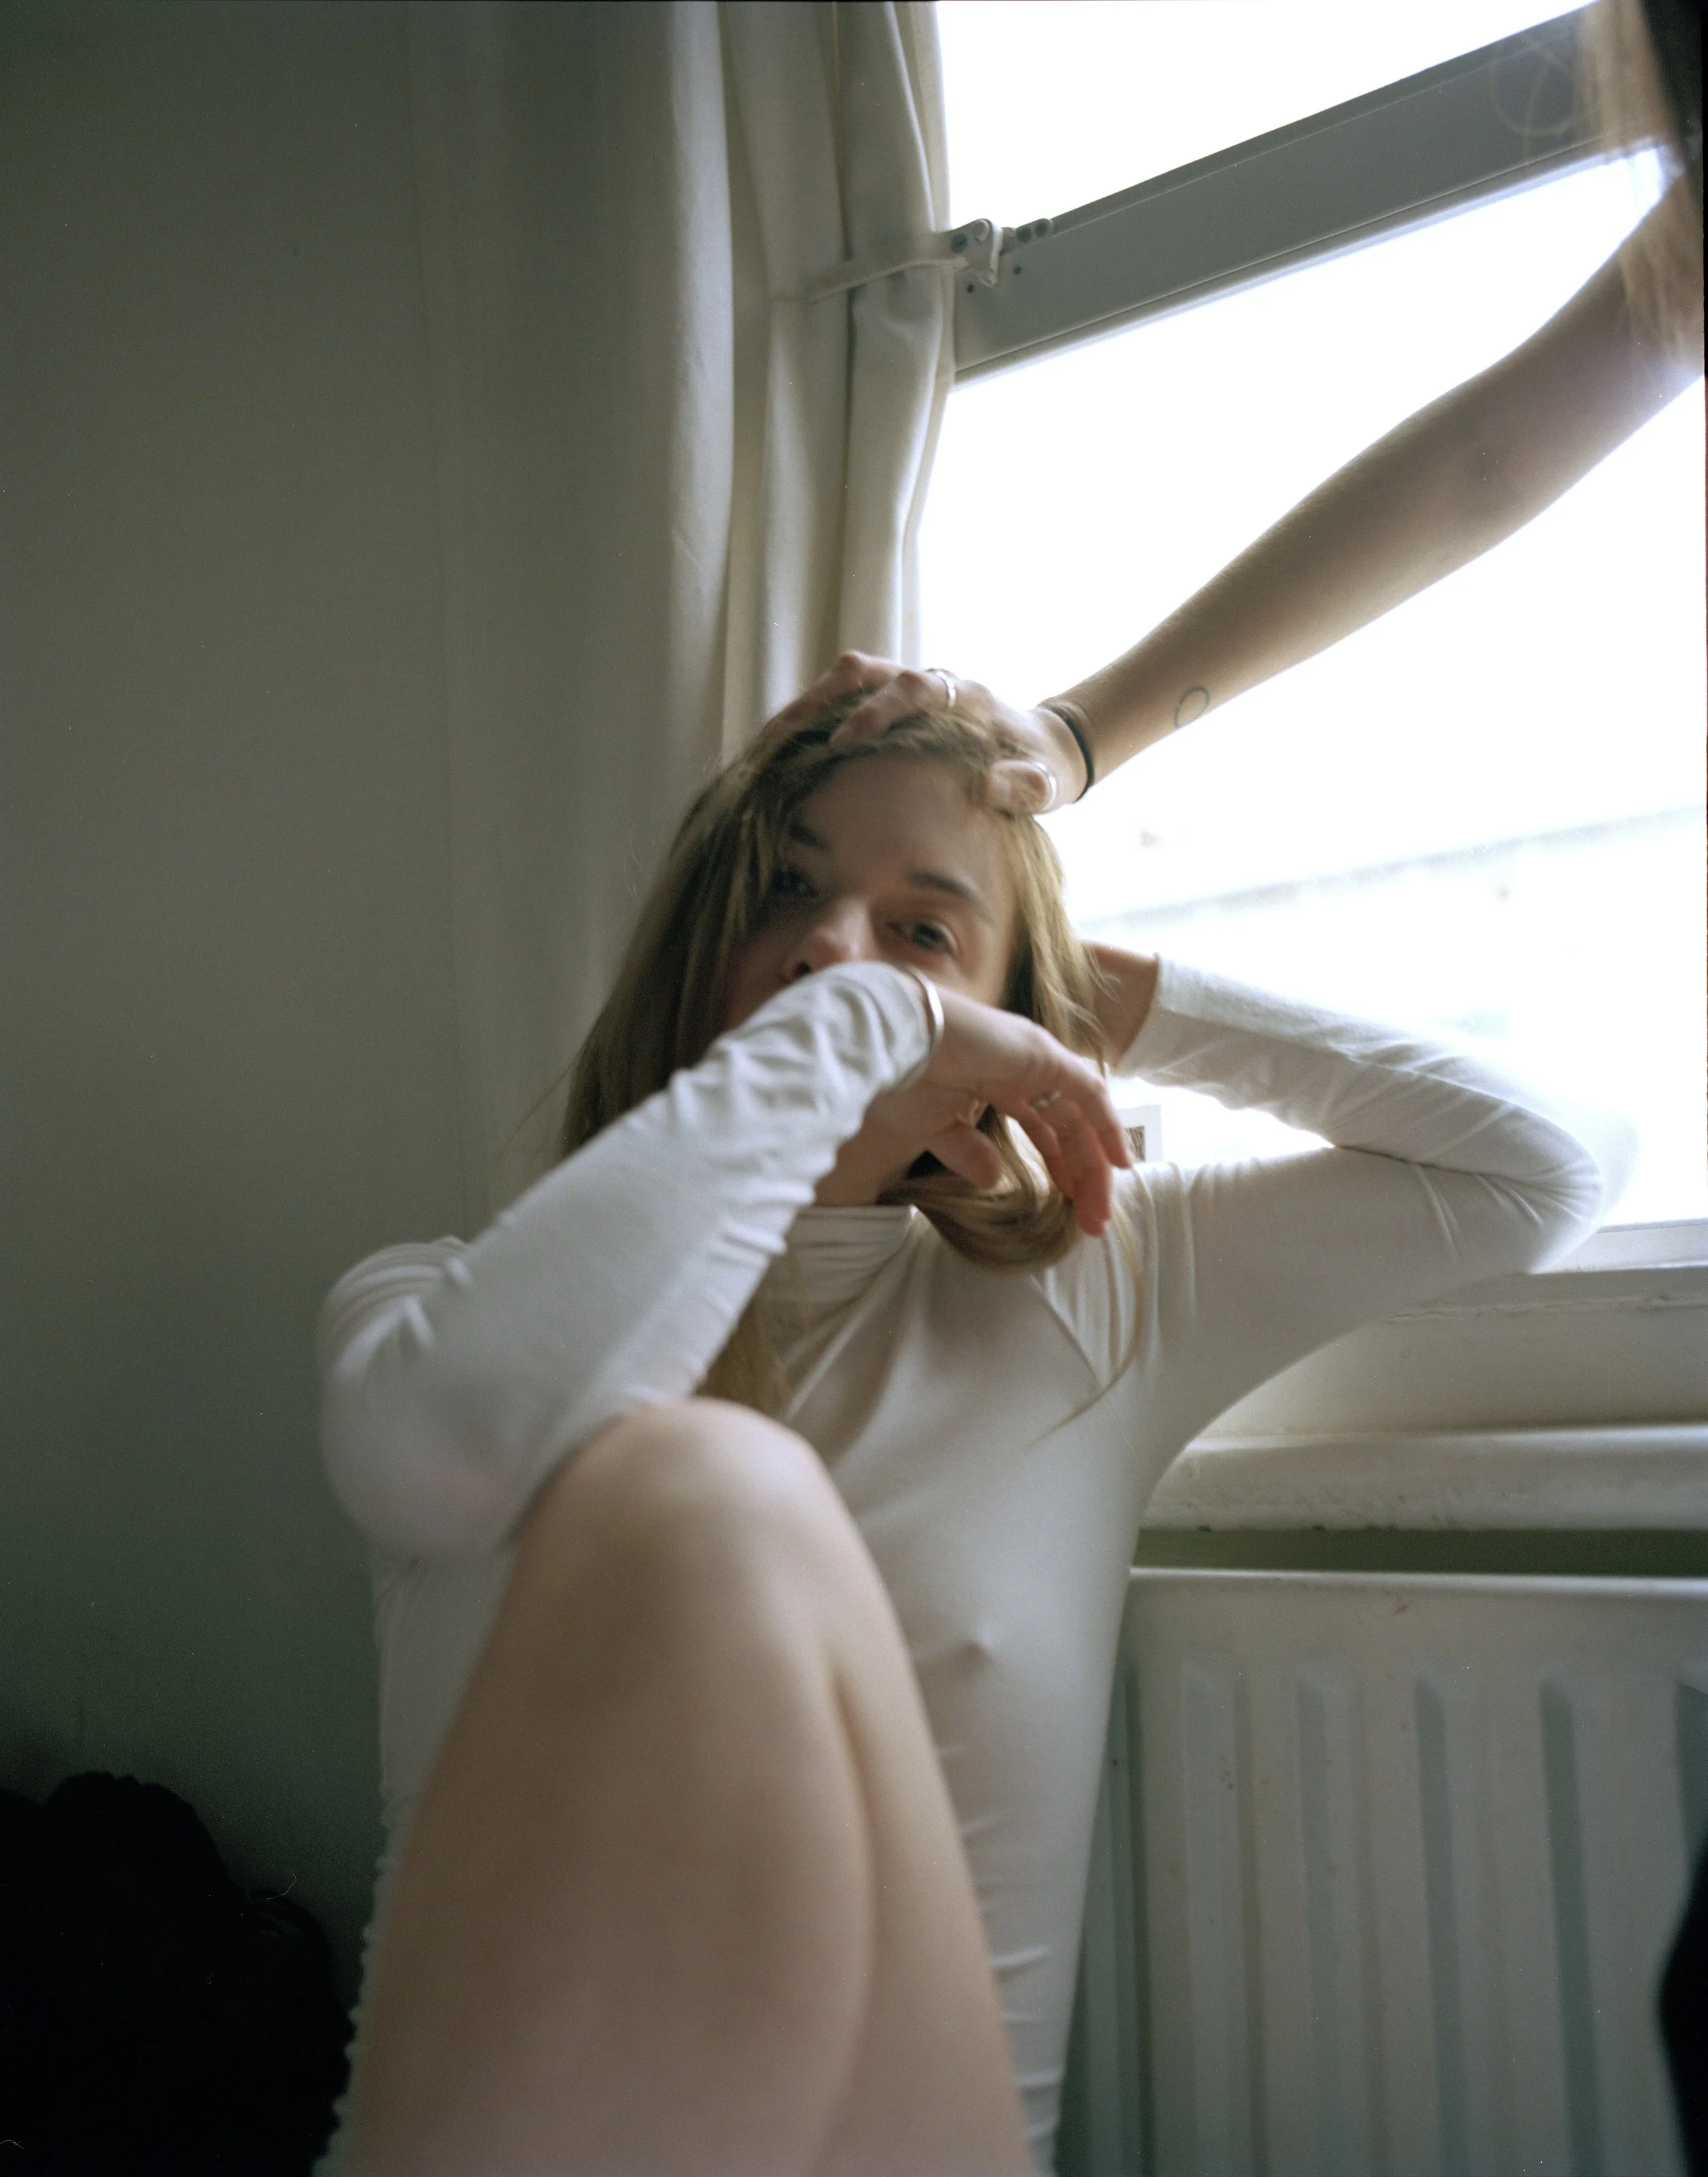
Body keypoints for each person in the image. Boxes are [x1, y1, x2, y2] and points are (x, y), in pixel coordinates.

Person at [316, 687, 1632, 2175]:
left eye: (921, 932)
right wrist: (874, 1011)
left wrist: (1090, 1001)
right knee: (688, 1483)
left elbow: (1549, 1167)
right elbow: (444, 1453)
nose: (830, 953)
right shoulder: (442, 1303)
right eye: (787, 890)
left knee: (707, 1486)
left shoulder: (1103, 1297)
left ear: (993, 1037)